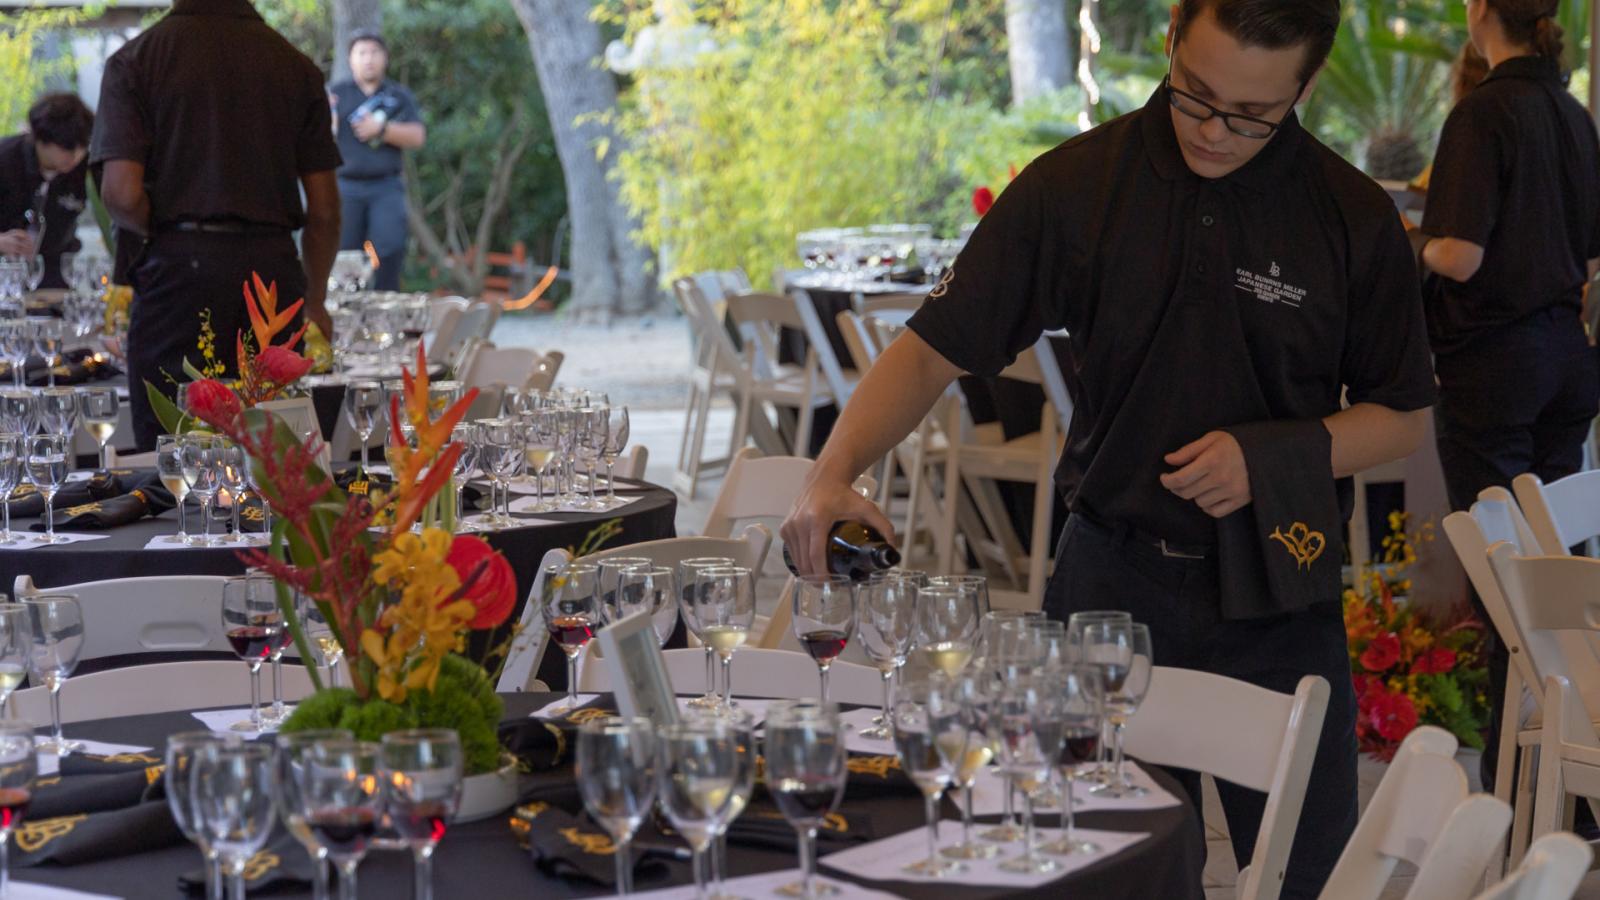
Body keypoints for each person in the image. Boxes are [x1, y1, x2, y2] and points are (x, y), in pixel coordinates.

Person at [781, 1, 1437, 896]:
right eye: (1193, 94)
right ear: (1172, 37)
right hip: (1108, 591)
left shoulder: (1351, 216)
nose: (1212, 130)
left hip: (1282, 591)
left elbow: (1403, 416)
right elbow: (934, 345)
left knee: (1308, 878)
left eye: (1250, 116)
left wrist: (1272, 457)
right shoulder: (1078, 185)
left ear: (1306, 87)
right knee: (1083, 864)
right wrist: (830, 473)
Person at [1413, 0, 1600, 790]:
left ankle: (1516, 791)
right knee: (1557, 586)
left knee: (1506, 593)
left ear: (1479, 9)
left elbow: (1457, 254)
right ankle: (1567, 779)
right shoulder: (1571, 113)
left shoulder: (1483, 112)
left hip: (1495, 370)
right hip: (1566, 360)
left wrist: (1402, 241)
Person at [90, 0, 341, 450]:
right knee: (270, 454)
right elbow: (323, 211)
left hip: (176, 278)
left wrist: (169, 230)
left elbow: (121, 195)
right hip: (273, 278)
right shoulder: (295, 65)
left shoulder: (136, 61)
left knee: (173, 449)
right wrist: (315, 299)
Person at [328, 29, 425, 291]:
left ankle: (385, 305)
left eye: (374, 52)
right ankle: (347, 313)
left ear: (385, 57)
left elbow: (417, 136)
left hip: (386, 185)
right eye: (362, 53)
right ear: (351, 59)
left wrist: (382, 130)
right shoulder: (337, 94)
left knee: (391, 246)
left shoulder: (398, 95)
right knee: (344, 253)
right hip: (346, 185)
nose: (368, 59)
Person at [0, 93, 94, 288]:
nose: (75, 155)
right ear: (40, 139)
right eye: (66, 147)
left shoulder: (86, 167)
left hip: (54, 276)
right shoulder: (6, 159)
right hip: (6, 277)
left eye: (82, 146)